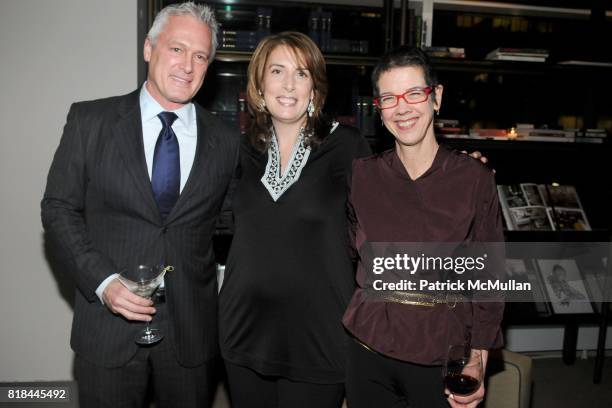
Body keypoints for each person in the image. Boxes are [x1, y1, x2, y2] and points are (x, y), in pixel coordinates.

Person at [41, 3, 238, 407]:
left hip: (191, 333)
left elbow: (234, 221)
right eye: (176, 49)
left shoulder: (226, 141)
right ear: (149, 49)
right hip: (107, 327)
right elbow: (58, 208)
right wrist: (103, 282)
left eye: (200, 56)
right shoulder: (90, 121)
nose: (188, 65)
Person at [342, 46, 505, 408]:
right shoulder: (361, 175)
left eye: (414, 93)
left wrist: (479, 359)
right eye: (389, 98)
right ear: (379, 108)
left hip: (440, 354)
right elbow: (347, 253)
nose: (402, 108)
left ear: (437, 97)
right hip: (368, 349)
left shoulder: (473, 179)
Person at [217, 31, 372, 408]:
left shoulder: (348, 147)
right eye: (277, 71)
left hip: (320, 339)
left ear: (315, 89)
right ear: (258, 86)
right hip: (243, 332)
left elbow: (387, 225)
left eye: (302, 74)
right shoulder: (236, 150)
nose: (288, 85)